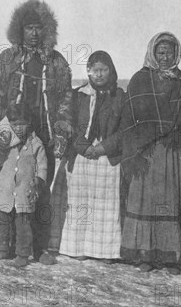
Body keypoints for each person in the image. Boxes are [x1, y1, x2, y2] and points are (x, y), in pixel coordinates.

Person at [0, 0, 73, 265]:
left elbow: (65, 100)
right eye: (29, 28)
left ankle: (39, 247)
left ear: (46, 30)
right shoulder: (7, 60)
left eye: (38, 27)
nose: (34, 33)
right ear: (19, 30)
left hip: (43, 136)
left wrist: (61, 131)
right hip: (14, 135)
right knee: (11, 191)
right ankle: (8, 245)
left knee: (39, 191)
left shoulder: (57, 62)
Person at [119, 32, 181, 275]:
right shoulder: (140, 80)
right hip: (147, 152)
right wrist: (135, 148)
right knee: (146, 201)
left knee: (172, 202)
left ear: (177, 54)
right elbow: (130, 117)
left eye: (170, 53)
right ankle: (145, 254)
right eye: (161, 53)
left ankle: (173, 256)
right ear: (153, 54)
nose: (165, 57)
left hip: (175, 152)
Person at [58, 51, 124, 262]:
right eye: (94, 70)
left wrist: (103, 147)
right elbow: (68, 124)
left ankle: (106, 251)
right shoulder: (78, 95)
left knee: (106, 204)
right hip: (82, 155)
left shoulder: (120, 96)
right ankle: (78, 248)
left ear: (111, 71)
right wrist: (84, 147)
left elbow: (125, 129)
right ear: (88, 71)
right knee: (80, 202)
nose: (99, 74)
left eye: (103, 70)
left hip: (107, 155)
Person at [0, 105, 48, 267]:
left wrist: (38, 181)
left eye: (22, 124)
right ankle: (2, 249)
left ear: (29, 123)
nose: (18, 128)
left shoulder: (36, 143)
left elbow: (42, 166)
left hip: (24, 192)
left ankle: (22, 253)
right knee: (3, 223)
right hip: (5, 192)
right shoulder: (4, 141)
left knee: (23, 225)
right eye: (14, 124)